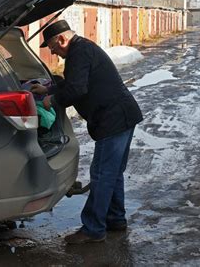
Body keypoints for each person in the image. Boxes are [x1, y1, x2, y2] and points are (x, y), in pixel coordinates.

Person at [31, 20, 143, 244]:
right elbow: (76, 82)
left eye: (53, 47)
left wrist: (50, 100)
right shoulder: (82, 48)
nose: (53, 52)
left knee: (102, 174)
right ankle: (116, 219)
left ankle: (93, 229)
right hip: (122, 116)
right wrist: (49, 88)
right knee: (112, 172)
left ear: (62, 40)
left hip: (114, 119)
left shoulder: (78, 53)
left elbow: (77, 89)